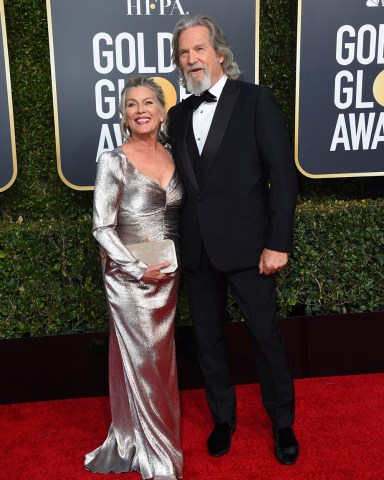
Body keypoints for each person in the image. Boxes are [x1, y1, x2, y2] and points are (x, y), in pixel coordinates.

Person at [167, 15, 299, 465]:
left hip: (250, 247)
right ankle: (223, 417)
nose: (191, 59)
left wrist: (278, 242)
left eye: (199, 49)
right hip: (198, 250)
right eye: (184, 53)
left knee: (265, 337)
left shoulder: (256, 100)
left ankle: (283, 423)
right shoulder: (177, 114)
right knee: (208, 340)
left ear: (219, 53)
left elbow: (282, 177)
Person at [84, 76, 184, 480]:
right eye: (131, 104)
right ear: (124, 115)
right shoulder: (113, 160)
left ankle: (134, 436)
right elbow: (102, 227)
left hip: (169, 276)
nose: (140, 110)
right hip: (129, 278)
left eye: (148, 103)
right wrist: (136, 267)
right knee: (146, 362)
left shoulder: (176, 155)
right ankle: (160, 462)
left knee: (162, 362)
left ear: (162, 111)